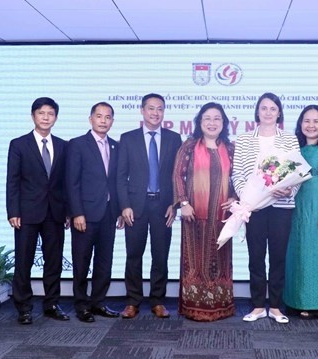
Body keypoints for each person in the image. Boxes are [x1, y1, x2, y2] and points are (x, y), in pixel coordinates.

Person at [232, 92, 299, 324]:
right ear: (257, 112)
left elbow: (297, 174)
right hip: (255, 208)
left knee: (278, 257)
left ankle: (277, 307)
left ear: (279, 112)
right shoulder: (244, 139)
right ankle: (259, 305)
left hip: (282, 206)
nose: (268, 112)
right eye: (264, 108)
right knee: (256, 257)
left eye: (273, 108)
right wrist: (246, 196)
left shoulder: (290, 139)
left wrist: (289, 189)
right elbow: (237, 173)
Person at [116, 93, 182, 319]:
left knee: (160, 255)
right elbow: (120, 176)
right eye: (151, 108)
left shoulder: (174, 139)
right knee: (134, 255)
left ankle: (158, 301)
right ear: (142, 111)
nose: (156, 113)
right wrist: (124, 206)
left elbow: (178, 176)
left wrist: (175, 204)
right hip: (135, 207)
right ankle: (133, 302)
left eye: (160, 109)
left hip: (163, 206)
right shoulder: (128, 138)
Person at [6, 97, 69, 325]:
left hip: (55, 213)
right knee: (24, 261)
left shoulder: (63, 145)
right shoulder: (19, 144)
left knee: (54, 262)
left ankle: (51, 303)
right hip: (26, 213)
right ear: (33, 115)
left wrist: (69, 212)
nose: (46, 117)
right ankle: (24, 307)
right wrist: (13, 211)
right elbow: (12, 181)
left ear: (56, 118)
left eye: (50, 113)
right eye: (41, 113)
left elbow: (66, 182)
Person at [172, 102, 236, 321]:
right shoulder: (189, 146)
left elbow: (238, 180)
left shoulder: (230, 148)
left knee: (220, 261)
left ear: (224, 123)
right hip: (193, 216)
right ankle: (193, 307)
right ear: (200, 122)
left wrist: (234, 198)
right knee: (195, 262)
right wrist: (183, 202)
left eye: (217, 118)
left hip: (223, 217)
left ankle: (221, 307)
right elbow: (177, 176)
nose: (212, 122)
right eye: (207, 118)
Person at [65, 102, 124, 323]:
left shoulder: (116, 146)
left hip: (109, 214)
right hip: (85, 215)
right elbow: (72, 182)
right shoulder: (77, 144)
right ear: (90, 119)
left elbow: (117, 182)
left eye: (108, 117)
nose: (103, 120)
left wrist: (118, 211)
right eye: (98, 116)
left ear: (112, 121)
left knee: (104, 261)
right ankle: (81, 305)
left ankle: (98, 302)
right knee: (81, 262)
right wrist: (76, 213)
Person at [283, 105, 318, 319]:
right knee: (297, 253)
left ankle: (317, 304)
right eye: (306, 120)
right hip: (296, 208)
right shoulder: (295, 150)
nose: (311, 125)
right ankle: (295, 301)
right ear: (300, 124)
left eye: (316, 121)